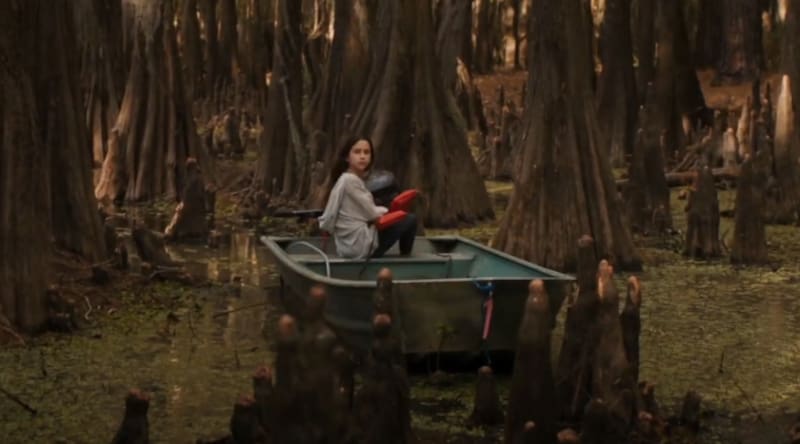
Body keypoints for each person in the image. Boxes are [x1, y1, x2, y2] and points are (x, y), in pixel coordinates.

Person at [319, 137, 417, 259]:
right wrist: (388, 210)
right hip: (360, 246)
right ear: (347, 157)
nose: (362, 156)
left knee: (399, 218)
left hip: (346, 247)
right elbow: (372, 214)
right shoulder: (351, 181)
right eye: (357, 152)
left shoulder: (344, 179)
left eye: (366, 152)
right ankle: (405, 260)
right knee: (410, 219)